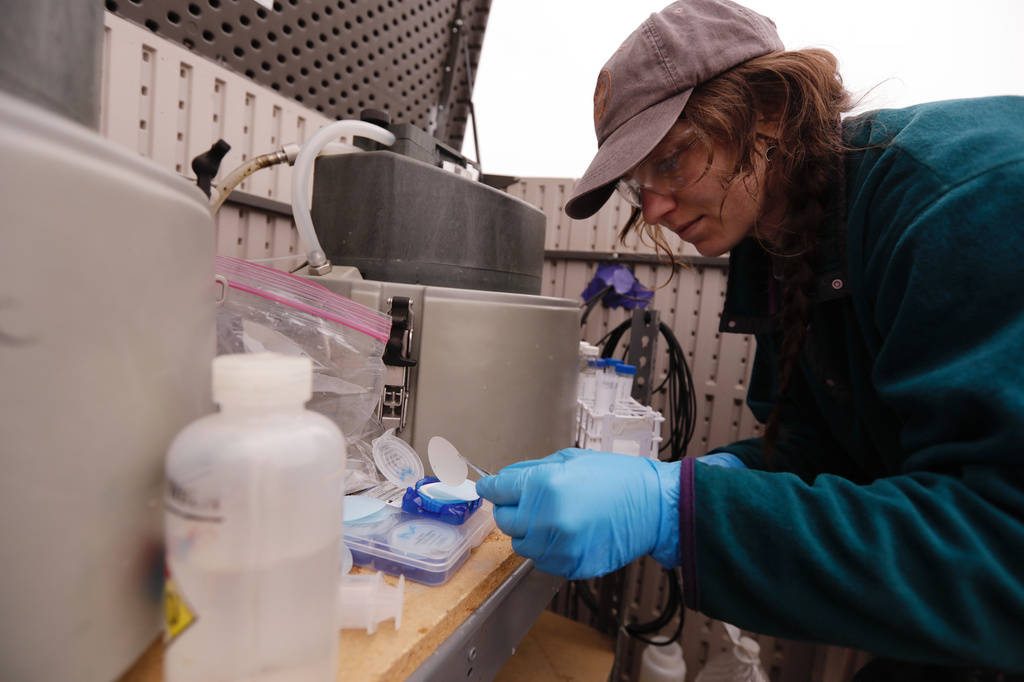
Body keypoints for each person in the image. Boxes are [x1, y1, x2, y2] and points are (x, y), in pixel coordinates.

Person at [474, 0, 1024, 678]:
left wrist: (676, 512)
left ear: (771, 110)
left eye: (671, 160)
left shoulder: (963, 199)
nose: (653, 208)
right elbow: (820, 448)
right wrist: (704, 479)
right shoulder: (781, 244)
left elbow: (1001, 545)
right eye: (636, 184)